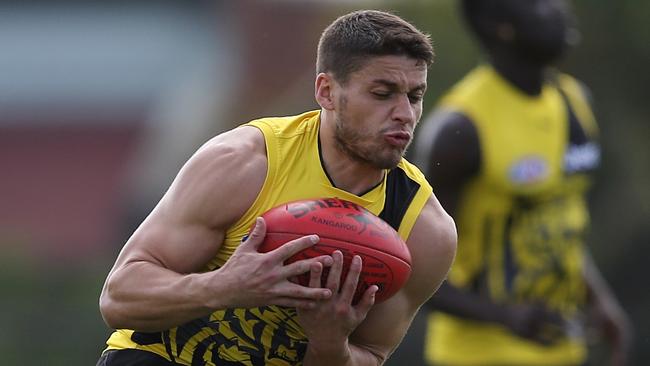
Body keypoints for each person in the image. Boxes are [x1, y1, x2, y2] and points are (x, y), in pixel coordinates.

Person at [97, 9, 457, 366]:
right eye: (382, 93)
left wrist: (330, 345)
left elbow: (371, 355)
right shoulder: (244, 162)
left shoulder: (424, 229)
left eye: (414, 96)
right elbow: (119, 300)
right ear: (327, 91)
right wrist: (223, 288)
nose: (405, 114)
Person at [412, 0, 632, 365]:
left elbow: (555, 223)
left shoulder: (575, 101)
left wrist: (599, 299)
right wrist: (505, 316)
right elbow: (417, 273)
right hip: (480, 355)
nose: (562, 9)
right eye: (541, 3)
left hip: (562, 349)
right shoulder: (459, 130)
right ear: (498, 23)